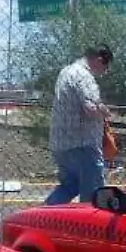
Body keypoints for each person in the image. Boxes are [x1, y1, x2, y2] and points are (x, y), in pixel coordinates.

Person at [44, 44, 112, 204]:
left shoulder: (66, 72)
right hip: (83, 145)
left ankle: (45, 217)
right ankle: (90, 227)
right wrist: (104, 111)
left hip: (60, 144)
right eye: (105, 68)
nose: (103, 73)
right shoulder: (84, 76)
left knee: (70, 186)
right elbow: (91, 108)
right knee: (93, 196)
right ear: (99, 60)